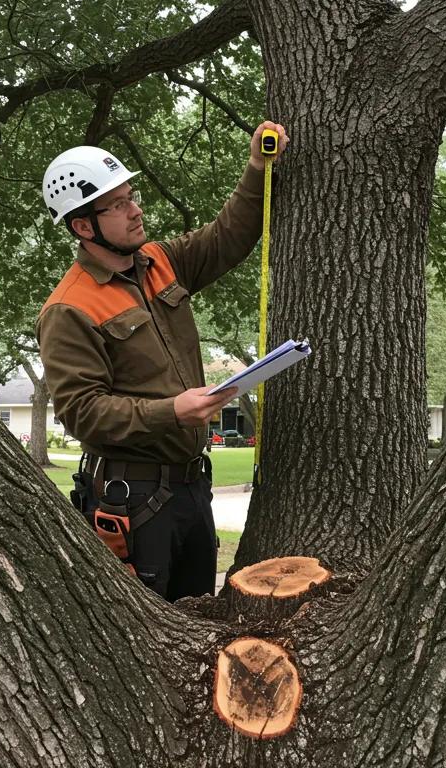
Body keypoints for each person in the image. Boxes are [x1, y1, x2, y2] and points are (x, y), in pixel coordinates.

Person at [36, 122, 289, 599]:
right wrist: (171, 411)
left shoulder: (159, 261)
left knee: (198, 625)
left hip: (191, 489)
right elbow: (81, 412)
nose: (136, 210)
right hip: (133, 502)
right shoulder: (69, 308)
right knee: (152, 638)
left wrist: (257, 169)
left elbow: (227, 238)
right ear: (83, 226)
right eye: (119, 204)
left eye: (132, 196)